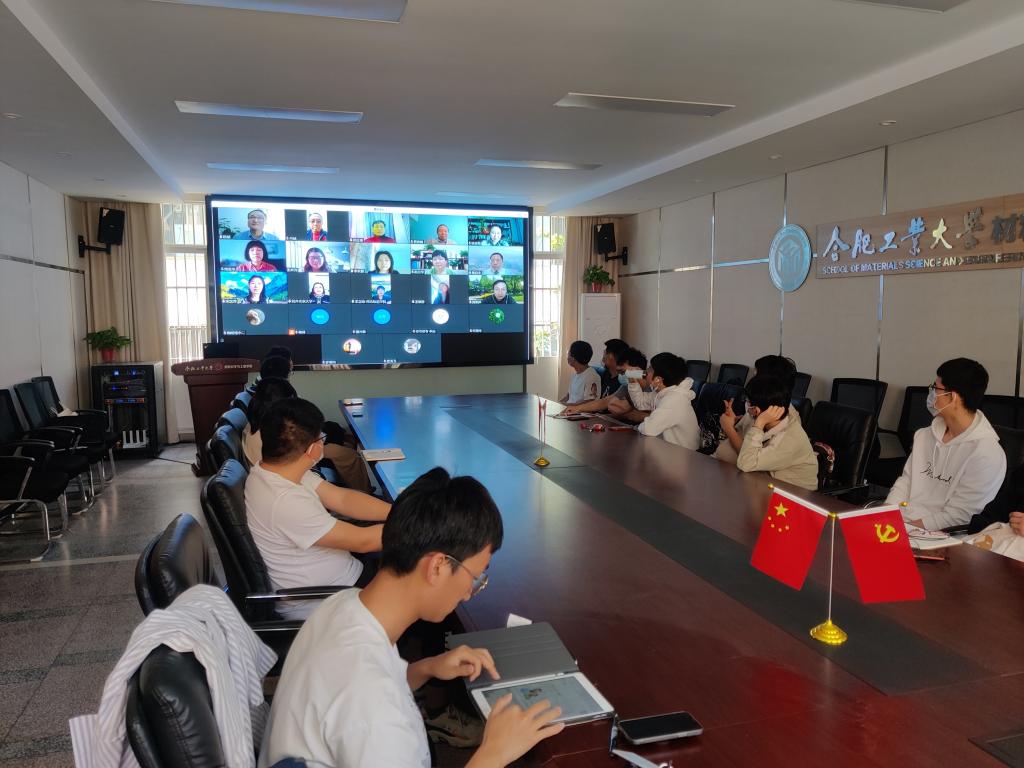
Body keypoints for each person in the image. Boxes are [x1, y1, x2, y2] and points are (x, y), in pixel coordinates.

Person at [259, 467, 565, 768]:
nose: (469, 594)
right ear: (437, 567)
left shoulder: (343, 605)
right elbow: (369, 699)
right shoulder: (378, 714)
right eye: (475, 577)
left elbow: (369, 681)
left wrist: (428, 668)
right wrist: (493, 755)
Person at [244, 398, 390, 619]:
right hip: (328, 599)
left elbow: (343, 499)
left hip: (342, 575)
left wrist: (398, 511)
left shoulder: (274, 471)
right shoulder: (286, 500)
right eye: (321, 438)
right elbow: (364, 541)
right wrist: (420, 523)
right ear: (312, 449)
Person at [886, 358, 1006, 530]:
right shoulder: (925, 435)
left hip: (941, 536)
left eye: (936, 388)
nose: (931, 393)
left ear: (953, 397)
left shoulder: (986, 453)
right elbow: (905, 482)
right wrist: (886, 515)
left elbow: (960, 515)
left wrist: (907, 529)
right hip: (901, 525)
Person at [719, 374, 818, 491]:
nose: (746, 405)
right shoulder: (759, 417)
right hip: (764, 482)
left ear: (756, 410)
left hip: (793, 493)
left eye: (748, 401)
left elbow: (746, 463)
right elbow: (741, 438)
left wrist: (758, 424)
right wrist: (732, 423)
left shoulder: (790, 438)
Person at [561, 348, 649, 424]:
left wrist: (629, 414)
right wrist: (577, 408)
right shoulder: (627, 386)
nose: (621, 376)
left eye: (623, 372)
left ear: (637, 370)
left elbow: (652, 418)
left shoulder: (652, 388)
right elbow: (606, 401)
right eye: (619, 372)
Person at [635, 353, 699, 449]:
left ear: (658, 379)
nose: (646, 372)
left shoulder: (674, 400)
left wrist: (637, 426)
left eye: (650, 369)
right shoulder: (662, 393)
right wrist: (632, 382)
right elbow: (640, 403)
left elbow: (648, 429)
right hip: (670, 449)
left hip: (683, 454)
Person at [561, 340, 600, 405]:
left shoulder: (591, 376)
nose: (567, 357)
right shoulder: (574, 375)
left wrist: (568, 406)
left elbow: (589, 402)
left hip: (579, 411)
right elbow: (568, 397)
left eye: (568, 353)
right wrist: (558, 404)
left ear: (574, 358)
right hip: (569, 409)